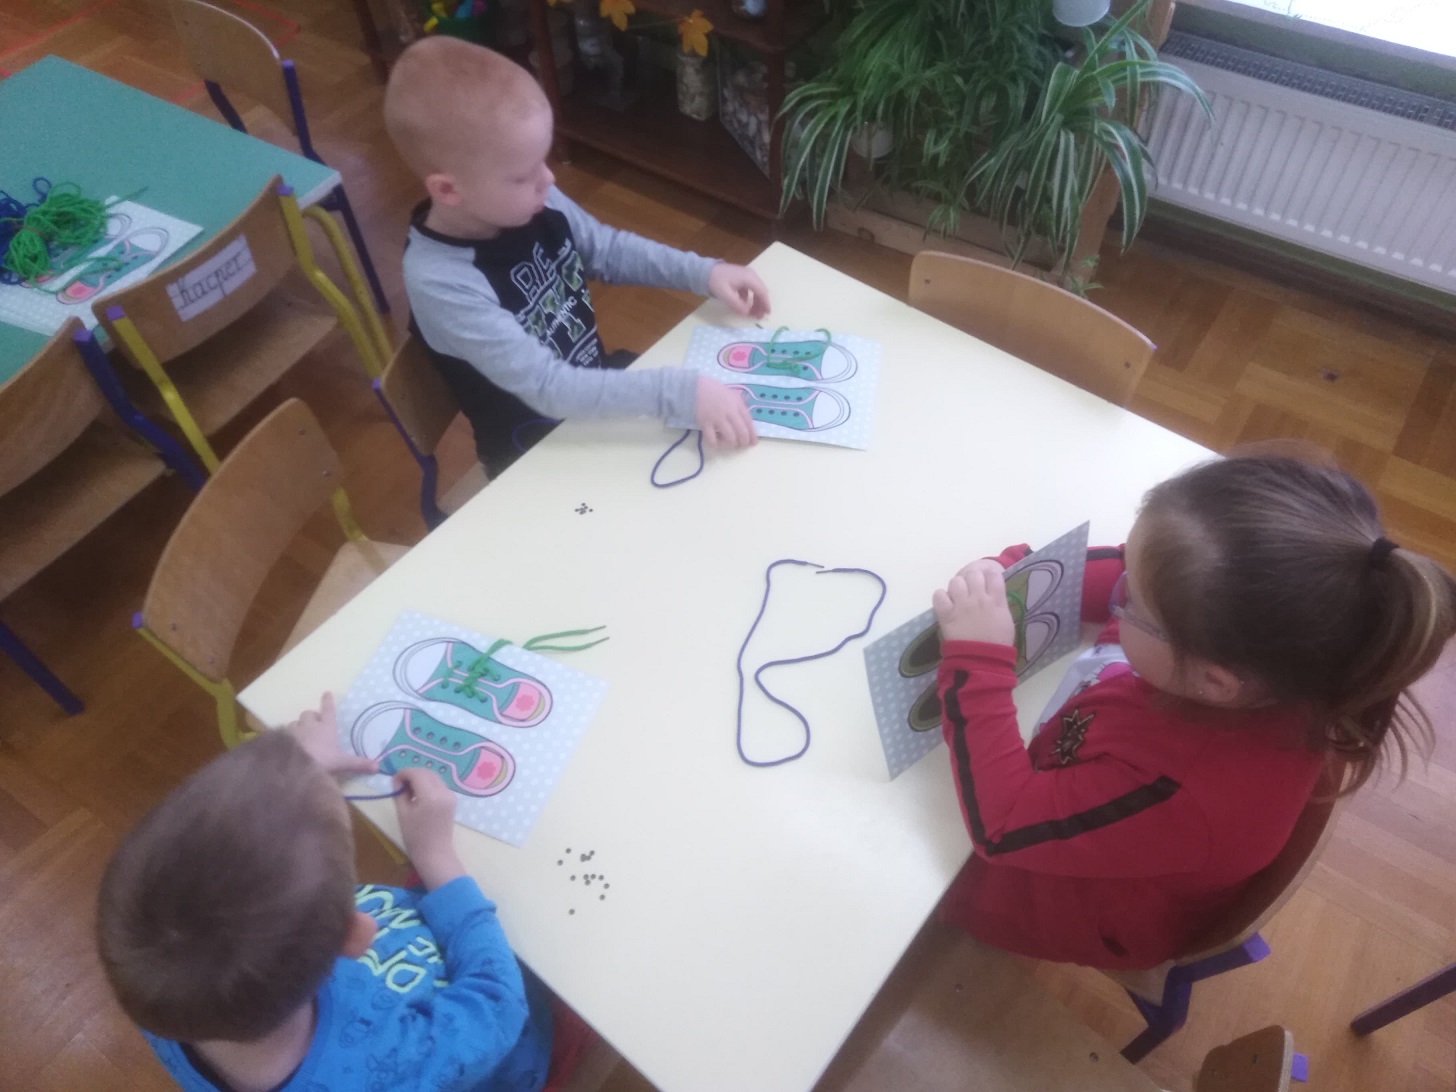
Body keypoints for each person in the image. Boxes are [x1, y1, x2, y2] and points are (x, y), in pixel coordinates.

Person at [930, 450, 1456, 969]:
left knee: (905, 872)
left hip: (1058, 905)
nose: (1120, 593)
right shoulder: (1272, 659)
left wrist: (978, 660)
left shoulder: (1180, 791)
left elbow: (1001, 825)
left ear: (1214, 680)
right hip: (1101, 790)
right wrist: (1018, 580)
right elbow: (1152, 574)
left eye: (1132, 600)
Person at [96, 695, 566, 1091]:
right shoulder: (392, 1063)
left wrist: (301, 772)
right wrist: (436, 856)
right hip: (494, 1050)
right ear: (358, 933)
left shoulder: (168, 995)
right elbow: (499, 1006)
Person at [383, 36, 770, 478]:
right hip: (533, 456)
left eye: (543, 160)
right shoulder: (441, 282)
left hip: (592, 402)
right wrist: (680, 392)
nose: (548, 179)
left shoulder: (529, 201)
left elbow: (608, 250)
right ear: (449, 190)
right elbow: (549, 387)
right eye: (523, 175)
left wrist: (704, 272)